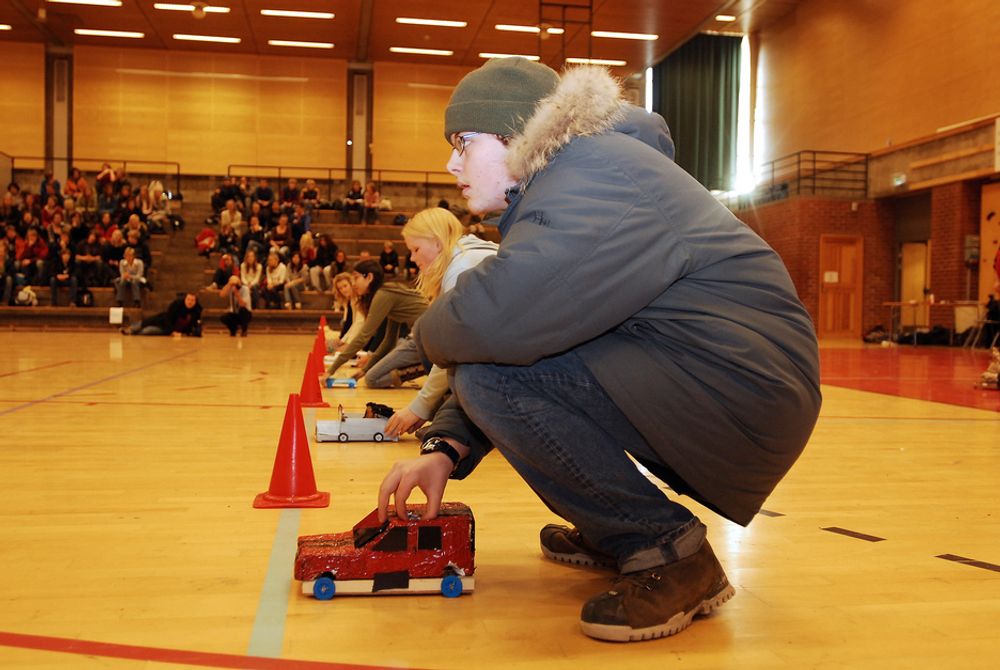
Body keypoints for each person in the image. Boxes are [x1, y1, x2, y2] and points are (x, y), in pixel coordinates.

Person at [375, 58, 822, 643]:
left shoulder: (594, 175)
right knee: (495, 370)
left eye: (463, 143)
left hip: (743, 387)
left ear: (516, 135)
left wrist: (423, 339)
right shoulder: (584, 173)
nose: (451, 163)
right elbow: (527, 339)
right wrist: (447, 447)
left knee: (491, 376)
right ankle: (616, 527)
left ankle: (667, 550)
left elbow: (501, 322)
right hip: (719, 373)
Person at [375, 208, 497, 433]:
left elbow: (452, 350)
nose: (412, 258)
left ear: (438, 243)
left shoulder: (462, 267)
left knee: (427, 333)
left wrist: (419, 407)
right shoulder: (468, 252)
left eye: (416, 249)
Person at [324, 259, 428, 380]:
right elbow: (389, 341)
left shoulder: (383, 295)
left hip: (425, 339)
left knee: (372, 379)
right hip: (421, 338)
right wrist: (365, 369)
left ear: (369, 277)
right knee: (371, 377)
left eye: (356, 278)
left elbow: (363, 336)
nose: (353, 284)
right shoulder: (384, 294)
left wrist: (331, 370)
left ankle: (425, 366)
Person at [123, 292, 203, 336]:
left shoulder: (196, 311)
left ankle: (134, 333)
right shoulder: (176, 305)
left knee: (147, 331)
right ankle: (131, 329)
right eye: (188, 299)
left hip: (166, 330)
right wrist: (172, 331)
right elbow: (169, 318)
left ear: (195, 302)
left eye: (192, 300)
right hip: (164, 323)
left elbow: (196, 325)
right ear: (185, 299)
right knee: (146, 322)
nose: (190, 302)